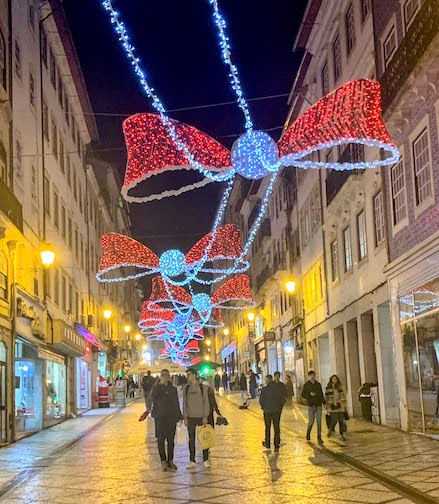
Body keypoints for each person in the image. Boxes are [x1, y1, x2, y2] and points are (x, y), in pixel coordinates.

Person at [149, 369, 182, 471]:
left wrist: (179, 416)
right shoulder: (156, 388)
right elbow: (152, 399)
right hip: (160, 418)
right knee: (161, 440)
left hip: (171, 417)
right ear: (160, 377)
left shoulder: (173, 389)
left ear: (169, 376)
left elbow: (176, 403)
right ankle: (163, 461)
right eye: (163, 375)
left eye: (166, 375)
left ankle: (170, 460)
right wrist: (159, 386)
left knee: (171, 440)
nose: (165, 377)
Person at [183, 368, 211, 469]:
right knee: (191, 439)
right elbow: (184, 403)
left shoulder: (203, 387)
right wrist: (185, 417)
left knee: (204, 439)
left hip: (200, 417)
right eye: (187, 375)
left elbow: (206, 402)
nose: (187, 377)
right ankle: (192, 460)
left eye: (189, 375)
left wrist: (205, 416)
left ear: (194, 375)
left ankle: (205, 459)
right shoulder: (186, 389)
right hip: (190, 417)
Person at [259, 374, 286, 452]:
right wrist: (279, 407)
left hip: (267, 411)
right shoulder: (277, 389)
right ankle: (276, 444)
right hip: (276, 411)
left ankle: (267, 443)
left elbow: (261, 400)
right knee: (276, 427)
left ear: (267, 380)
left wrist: (264, 407)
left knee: (267, 428)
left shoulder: (264, 389)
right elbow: (282, 399)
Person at [302, 370, 325, 444]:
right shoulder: (306, 385)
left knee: (319, 421)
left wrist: (324, 403)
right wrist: (309, 395)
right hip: (311, 405)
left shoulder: (318, 384)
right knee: (311, 421)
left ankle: (319, 437)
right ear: (308, 376)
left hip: (318, 405)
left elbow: (321, 394)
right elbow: (303, 394)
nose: (312, 377)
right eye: (311, 375)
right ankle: (308, 433)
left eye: (313, 375)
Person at [325, 375, 347, 441]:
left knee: (341, 420)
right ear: (331, 380)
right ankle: (330, 430)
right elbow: (326, 397)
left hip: (340, 405)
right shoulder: (328, 388)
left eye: (335, 379)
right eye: (333, 379)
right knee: (334, 420)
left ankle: (341, 434)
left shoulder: (340, 387)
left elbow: (343, 396)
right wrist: (326, 406)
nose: (334, 380)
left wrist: (344, 406)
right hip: (332, 405)